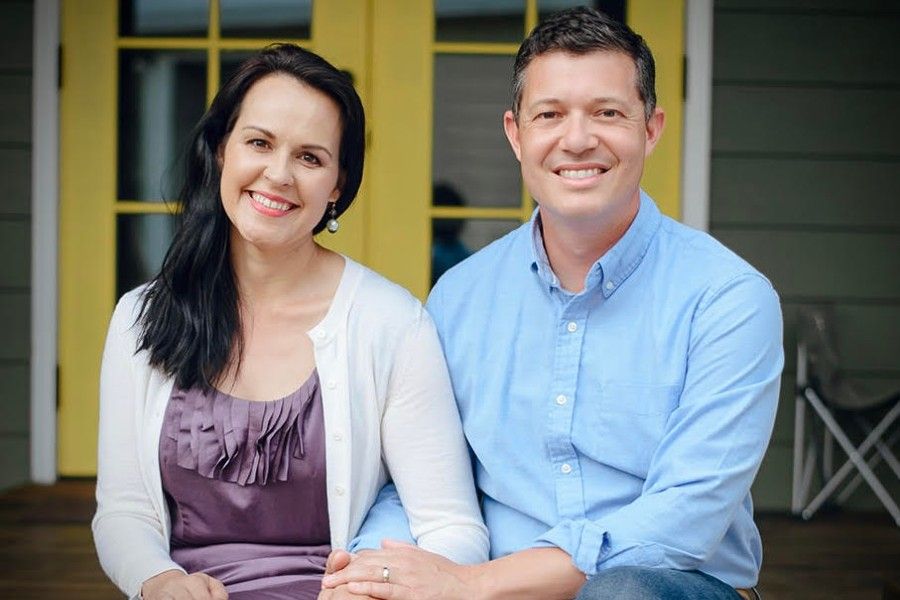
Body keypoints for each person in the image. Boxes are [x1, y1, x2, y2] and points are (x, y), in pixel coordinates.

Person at [320, 7, 782, 600]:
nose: (578, 139)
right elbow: (419, 480)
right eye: (550, 115)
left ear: (652, 128)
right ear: (516, 134)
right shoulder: (460, 297)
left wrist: (476, 584)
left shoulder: (728, 300)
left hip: (661, 586)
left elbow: (682, 521)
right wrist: (370, 571)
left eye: (607, 113)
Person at [92, 44, 487, 600]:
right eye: (259, 143)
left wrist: (378, 587)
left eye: (310, 157)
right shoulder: (141, 316)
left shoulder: (391, 323)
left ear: (338, 185)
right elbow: (124, 510)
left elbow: (452, 527)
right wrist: (157, 581)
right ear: (221, 150)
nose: (278, 174)